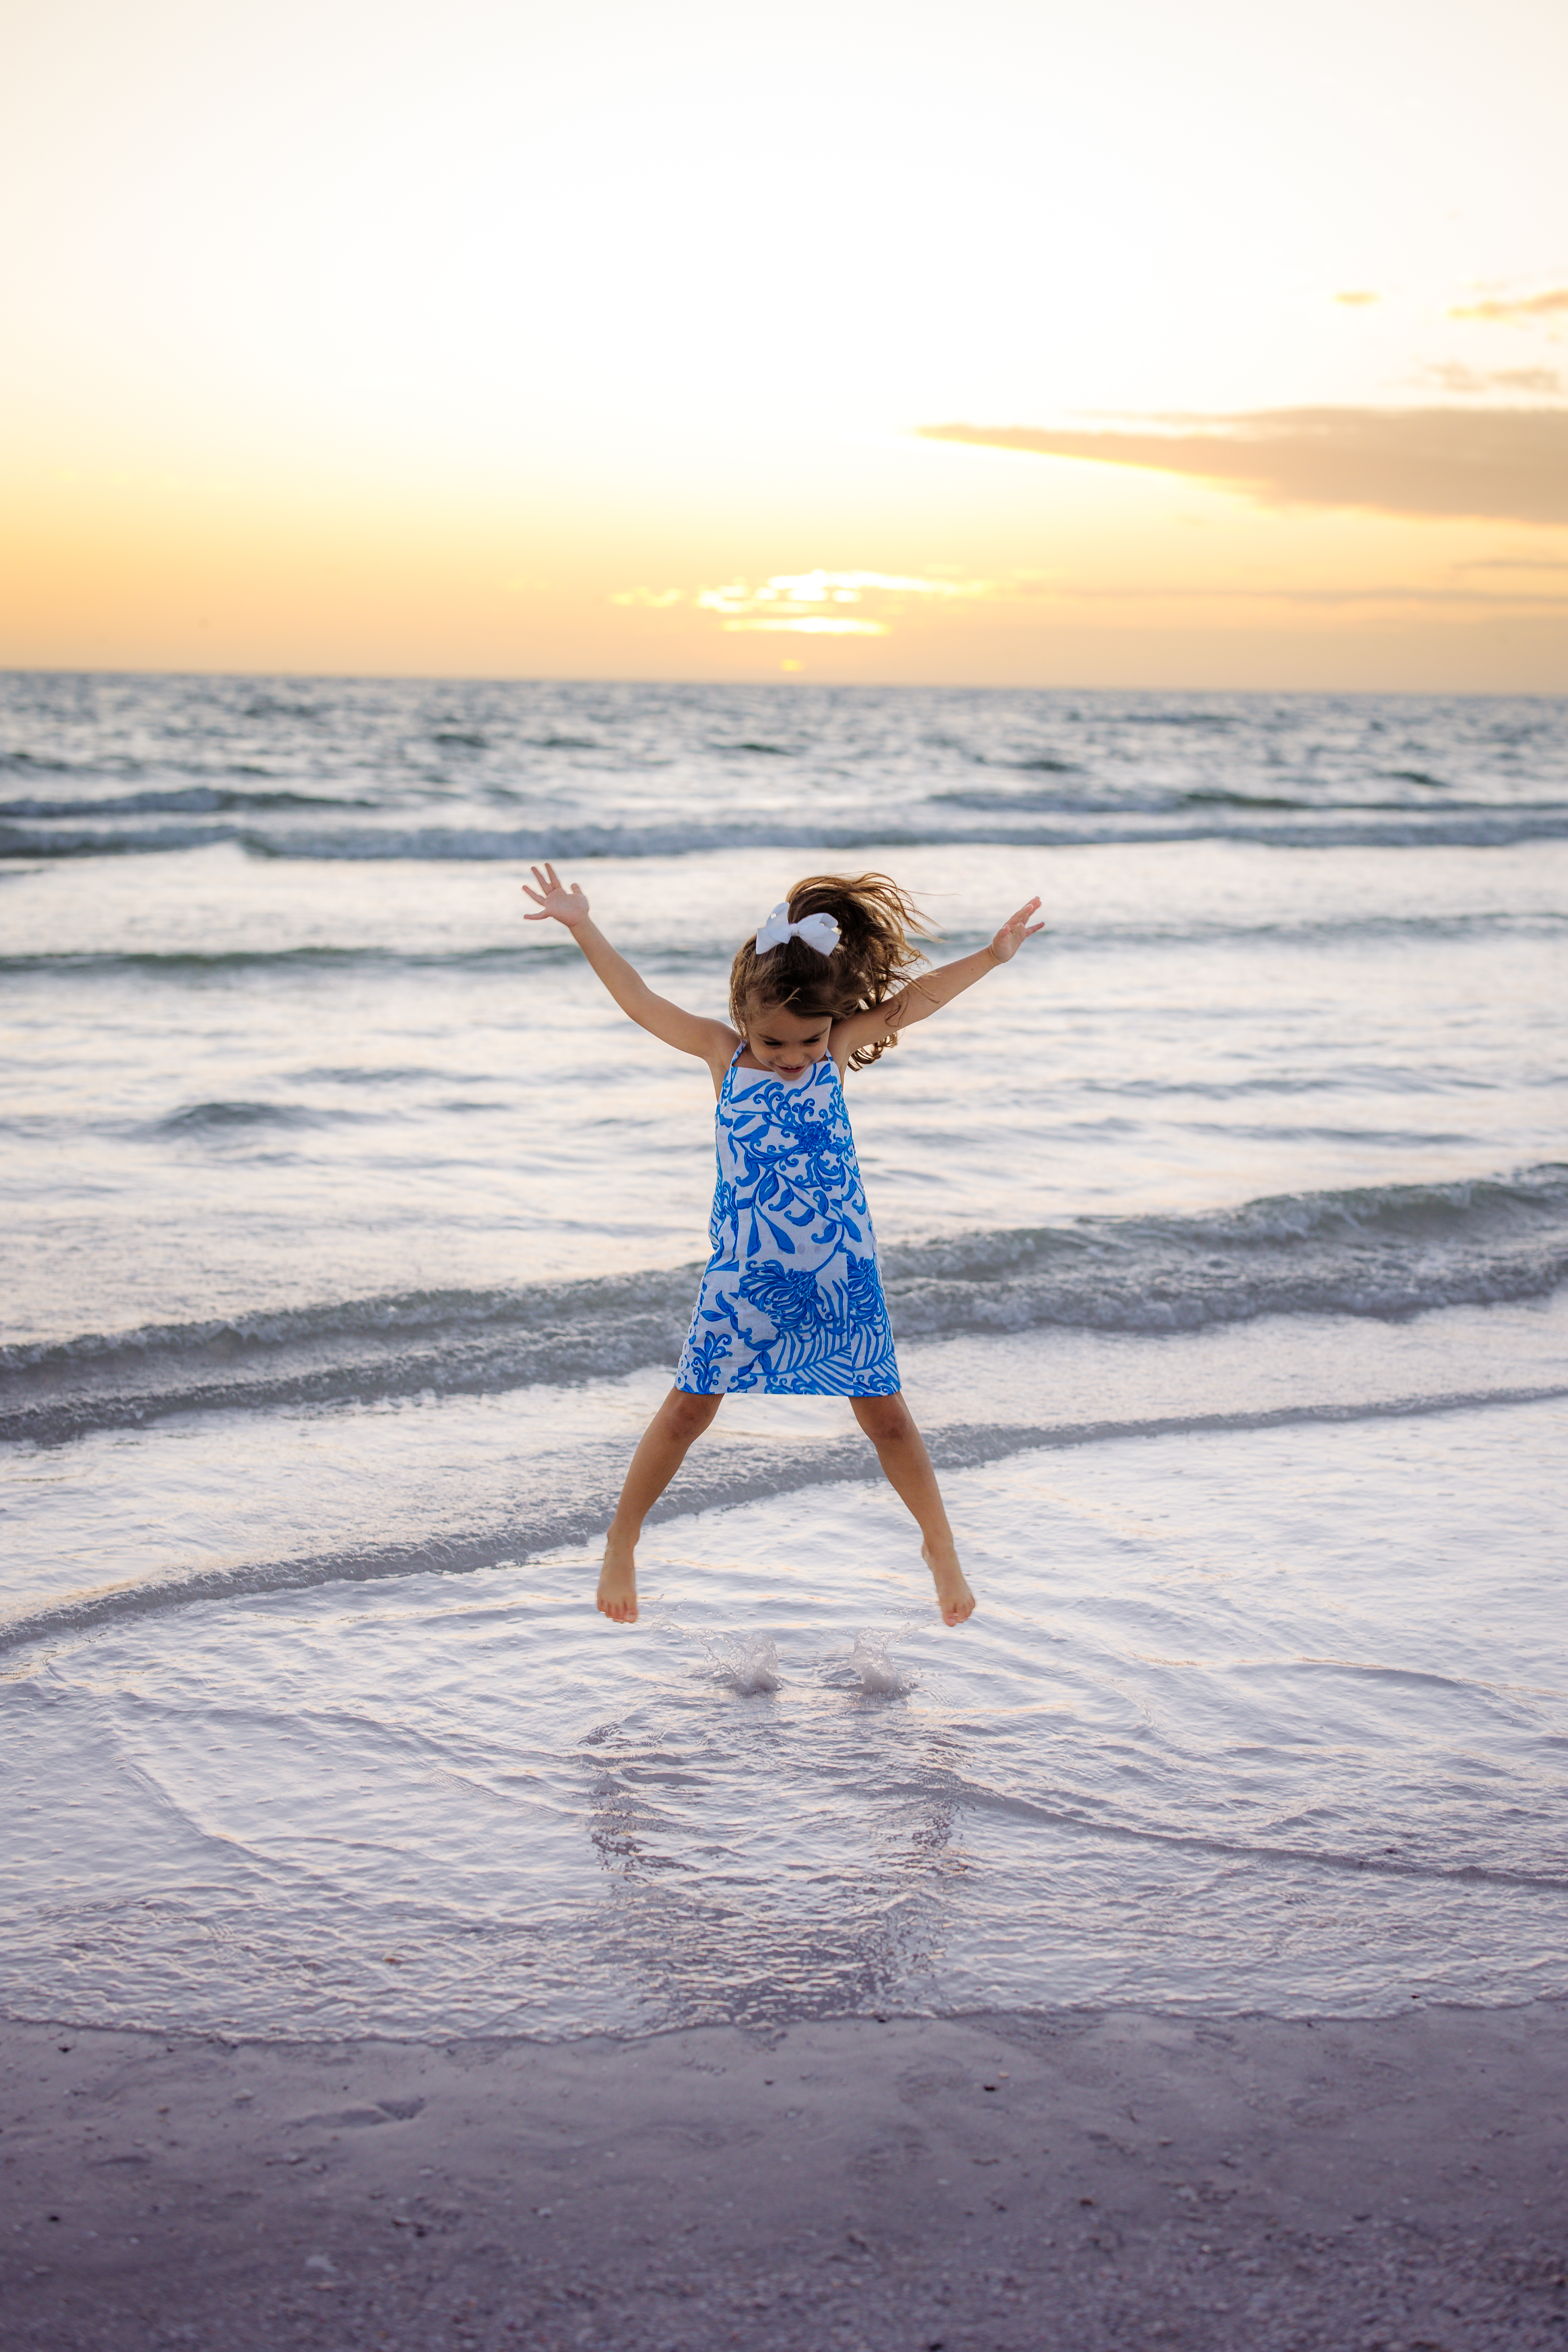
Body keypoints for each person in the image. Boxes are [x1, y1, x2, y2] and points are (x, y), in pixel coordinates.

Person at [521, 862, 1043, 1628]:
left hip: (841, 1279)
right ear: (742, 1012)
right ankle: (622, 1539)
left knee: (889, 1419)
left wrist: (991, 958)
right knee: (686, 1413)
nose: (792, 1056)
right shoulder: (722, 1057)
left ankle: (940, 1545)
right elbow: (639, 1000)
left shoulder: (829, 1059)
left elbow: (911, 1004)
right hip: (745, 1279)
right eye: (774, 1040)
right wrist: (581, 924)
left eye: (810, 1039)